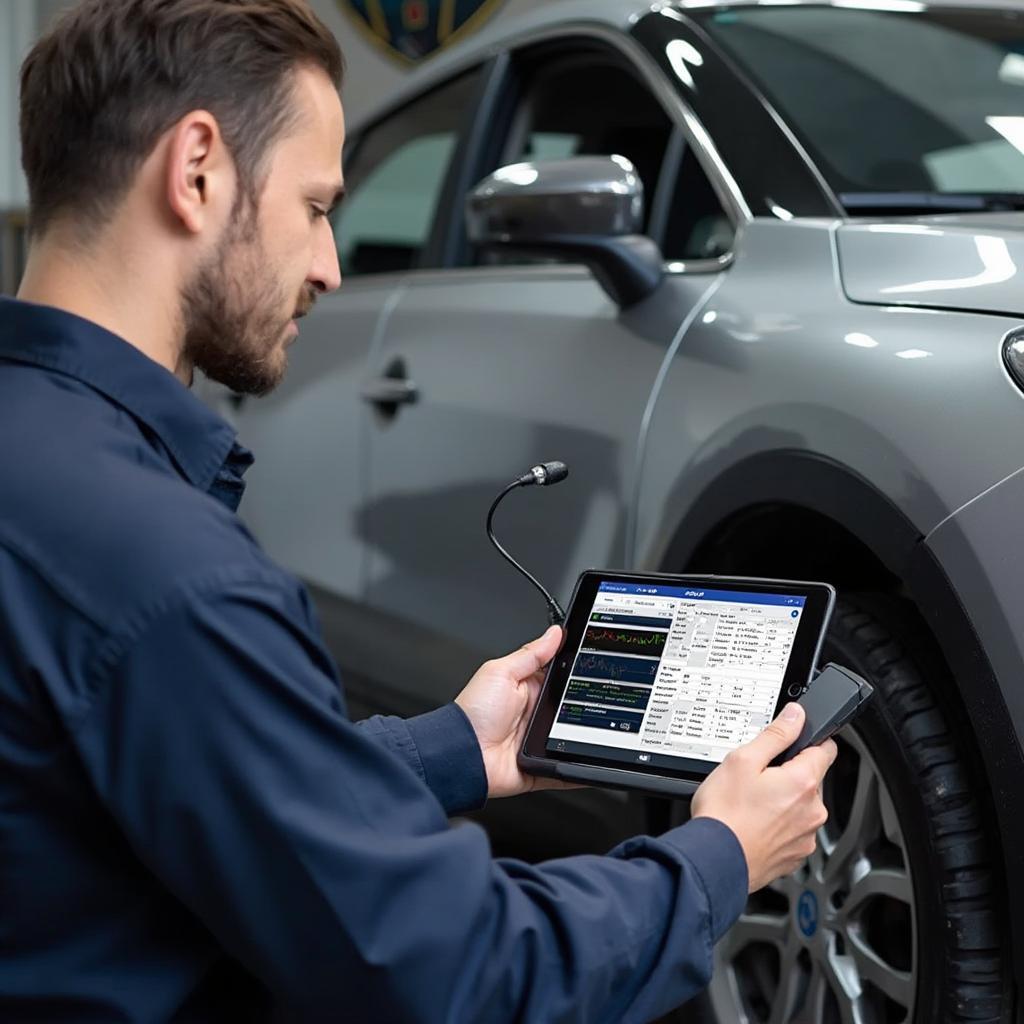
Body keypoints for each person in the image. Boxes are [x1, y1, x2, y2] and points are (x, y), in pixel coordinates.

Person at [0, 1, 837, 1020]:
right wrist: (719, 855)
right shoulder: (171, 575)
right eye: (315, 207)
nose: (330, 268)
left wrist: (452, 747)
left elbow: (185, 771)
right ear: (199, 170)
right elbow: (455, 972)